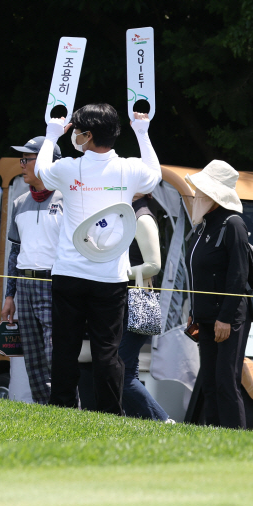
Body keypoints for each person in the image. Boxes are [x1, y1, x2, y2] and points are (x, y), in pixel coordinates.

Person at [35, 103, 161, 415]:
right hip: (110, 276)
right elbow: (155, 176)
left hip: (69, 273)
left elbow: (40, 172)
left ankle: (61, 408)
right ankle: (110, 414)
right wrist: (142, 132)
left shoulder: (68, 168)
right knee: (108, 350)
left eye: (77, 131)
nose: (75, 135)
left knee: (65, 346)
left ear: (88, 136)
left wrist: (51, 135)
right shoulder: (129, 168)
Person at [186, 160, 252, 429]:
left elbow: (238, 274)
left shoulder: (233, 224)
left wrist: (225, 317)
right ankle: (213, 437)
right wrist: (194, 313)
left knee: (226, 381)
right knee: (210, 383)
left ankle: (235, 438)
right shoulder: (203, 226)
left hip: (227, 319)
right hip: (205, 318)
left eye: (202, 190)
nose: (196, 194)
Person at [2, 136, 63, 405]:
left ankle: (67, 413)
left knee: (55, 356)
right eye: (22, 159)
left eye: (27, 159)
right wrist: (9, 295)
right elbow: (14, 252)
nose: (22, 164)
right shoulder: (19, 202)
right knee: (34, 361)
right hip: (25, 286)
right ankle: (43, 413)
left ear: (47, 162)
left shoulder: (68, 200)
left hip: (54, 285)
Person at [121, 190, 171, 421]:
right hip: (128, 303)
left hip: (135, 303)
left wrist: (117, 272)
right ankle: (144, 424)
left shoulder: (141, 217)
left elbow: (153, 265)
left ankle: (163, 421)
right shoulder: (131, 213)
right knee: (126, 371)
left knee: (121, 372)